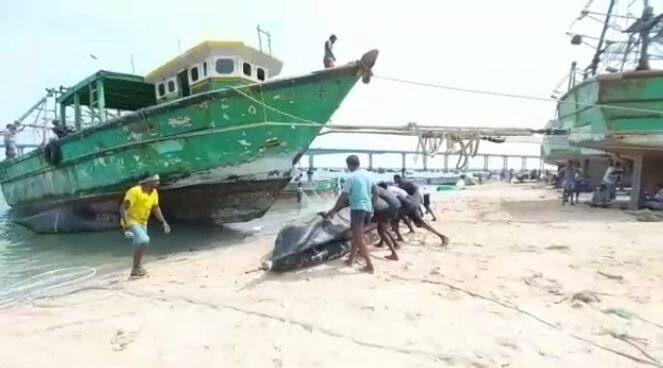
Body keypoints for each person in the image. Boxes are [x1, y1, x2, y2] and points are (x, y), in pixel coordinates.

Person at [323, 155, 376, 273]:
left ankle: (369, 266)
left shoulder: (351, 177)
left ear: (349, 165)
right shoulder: (368, 175)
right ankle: (351, 259)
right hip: (367, 209)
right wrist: (372, 209)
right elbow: (375, 192)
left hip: (357, 209)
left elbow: (343, 196)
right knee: (356, 235)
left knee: (358, 237)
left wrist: (333, 211)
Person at [119, 174, 171, 277]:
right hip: (130, 220)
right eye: (156, 181)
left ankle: (136, 269)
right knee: (144, 241)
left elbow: (155, 208)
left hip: (143, 222)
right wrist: (127, 226)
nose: (158, 183)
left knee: (142, 245)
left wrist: (164, 222)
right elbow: (122, 208)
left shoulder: (154, 193)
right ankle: (136, 268)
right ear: (148, 181)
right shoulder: (134, 191)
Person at [379, 182, 449, 246]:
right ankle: (441, 236)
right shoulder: (394, 188)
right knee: (422, 223)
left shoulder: (388, 191)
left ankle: (395, 238)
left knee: (392, 221)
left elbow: (396, 201)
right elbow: (406, 195)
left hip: (404, 206)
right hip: (411, 204)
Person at [373, 185, 401, 260]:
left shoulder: (373, 188)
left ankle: (394, 254)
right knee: (384, 227)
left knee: (381, 231)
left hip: (390, 207)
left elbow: (375, 200)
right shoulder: (379, 187)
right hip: (396, 205)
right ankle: (395, 244)